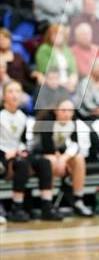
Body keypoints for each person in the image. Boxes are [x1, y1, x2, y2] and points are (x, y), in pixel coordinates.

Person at [0, 81, 62, 222]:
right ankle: (17, 208)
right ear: (4, 96)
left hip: (17, 154)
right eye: (10, 91)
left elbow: (22, 141)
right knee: (21, 164)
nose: (14, 95)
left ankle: (46, 206)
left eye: (17, 91)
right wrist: (5, 153)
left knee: (44, 162)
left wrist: (22, 150)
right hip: (4, 156)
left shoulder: (22, 116)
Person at [36, 99, 92, 217]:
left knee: (79, 159)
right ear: (56, 110)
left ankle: (78, 201)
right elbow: (45, 147)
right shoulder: (47, 122)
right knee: (50, 161)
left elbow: (75, 145)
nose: (67, 114)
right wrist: (59, 158)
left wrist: (63, 158)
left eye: (70, 111)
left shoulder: (73, 123)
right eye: (64, 110)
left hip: (59, 155)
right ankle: (48, 204)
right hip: (38, 154)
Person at [35, 23, 78, 92]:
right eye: (55, 34)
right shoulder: (44, 49)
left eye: (60, 34)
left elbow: (74, 72)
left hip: (68, 86)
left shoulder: (67, 50)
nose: (58, 36)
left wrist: (71, 84)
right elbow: (47, 73)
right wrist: (65, 86)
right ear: (49, 36)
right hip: (51, 86)